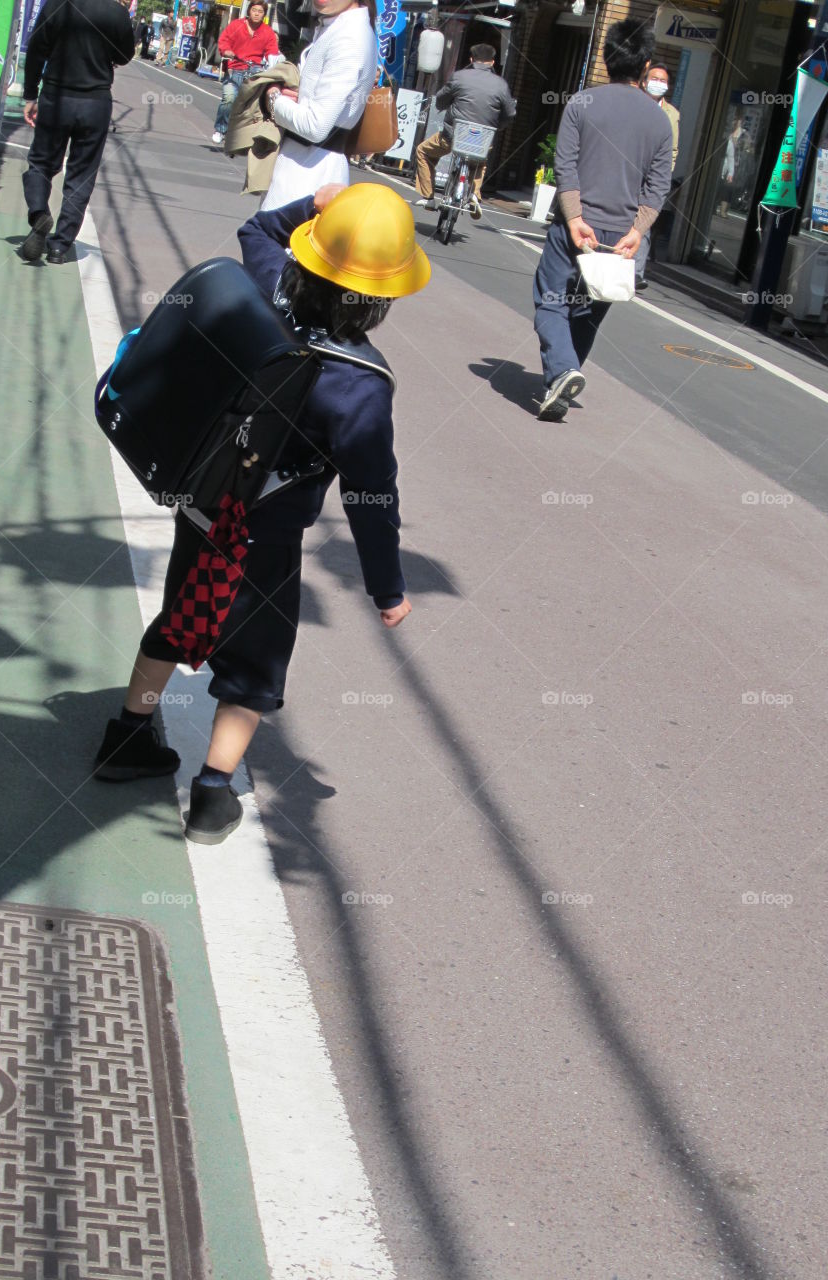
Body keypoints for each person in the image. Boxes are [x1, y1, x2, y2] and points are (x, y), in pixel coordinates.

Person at [93, 184, 431, 845]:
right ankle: (213, 795)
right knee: (255, 663)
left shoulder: (272, 287)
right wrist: (386, 586)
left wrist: (312, 204)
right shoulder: (360, 385)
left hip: (199, 503)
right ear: (383, 298)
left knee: (182, 611)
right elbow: (371, 493)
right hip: (264, 538)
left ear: (308, 260)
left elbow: (257, 229)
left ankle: (127, 735)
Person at [531, 19, 671, 421]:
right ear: (645, 66)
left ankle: (563, 371)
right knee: (589, 311)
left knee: (551, 299)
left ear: (606, 58)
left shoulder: (582, 103)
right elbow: (657, 185)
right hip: (621, 232)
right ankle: (564, 375)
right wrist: (637, 232)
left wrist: (573, 218)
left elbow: (566, 164)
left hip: (575, 226)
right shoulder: (659, 120)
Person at [20, 0, 134, 265]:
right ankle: (60, 246)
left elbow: (37, 48)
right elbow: (124, 56)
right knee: (81, 174)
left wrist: (29, 93)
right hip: (95, 102)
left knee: (41, 163)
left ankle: (38, 213)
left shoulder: (58, 4)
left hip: (56, 97)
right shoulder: (116, 11)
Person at [260, 0, 377, 211]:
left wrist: (272, 98)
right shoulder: (337, 26)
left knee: (270, 240)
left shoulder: (349, 36)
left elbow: (315, 125)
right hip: (306, 170)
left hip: (308, 178)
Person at [415, 43, 515, 220]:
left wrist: (443, 106)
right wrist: (497, 127)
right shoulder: (501, 85)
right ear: (492, 62)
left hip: (453, 135)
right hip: (482, 139)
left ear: (471, 59)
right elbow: (509, 113)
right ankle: (474, 195)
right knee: (479, 161)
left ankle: (429, 197)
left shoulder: (459, 77)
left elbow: (441, 99)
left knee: (423, 151)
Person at [635, 62, 680, 288]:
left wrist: (665, 173)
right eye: (654, 79)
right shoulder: (633, 104)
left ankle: (636, 273)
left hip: (653, 177)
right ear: (644, 82)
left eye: (663, 81)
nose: (658, 84)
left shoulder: (672, 114)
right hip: (629, 170)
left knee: (644, 220)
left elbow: (673, 148)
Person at [212, 1, 280, 144]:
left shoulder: (267, 32)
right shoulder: (236, 25)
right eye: (254, 10)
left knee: (253, 107)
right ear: (249, 11)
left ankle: (245, 136)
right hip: (235, 68)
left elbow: (272, 52)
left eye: (260, 11)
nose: (256, 13)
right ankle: (220, 129)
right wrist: (227, 51)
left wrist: (273, 62)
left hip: (255, 72)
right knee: (229, 98)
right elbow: (223, 41)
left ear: (264, 15)